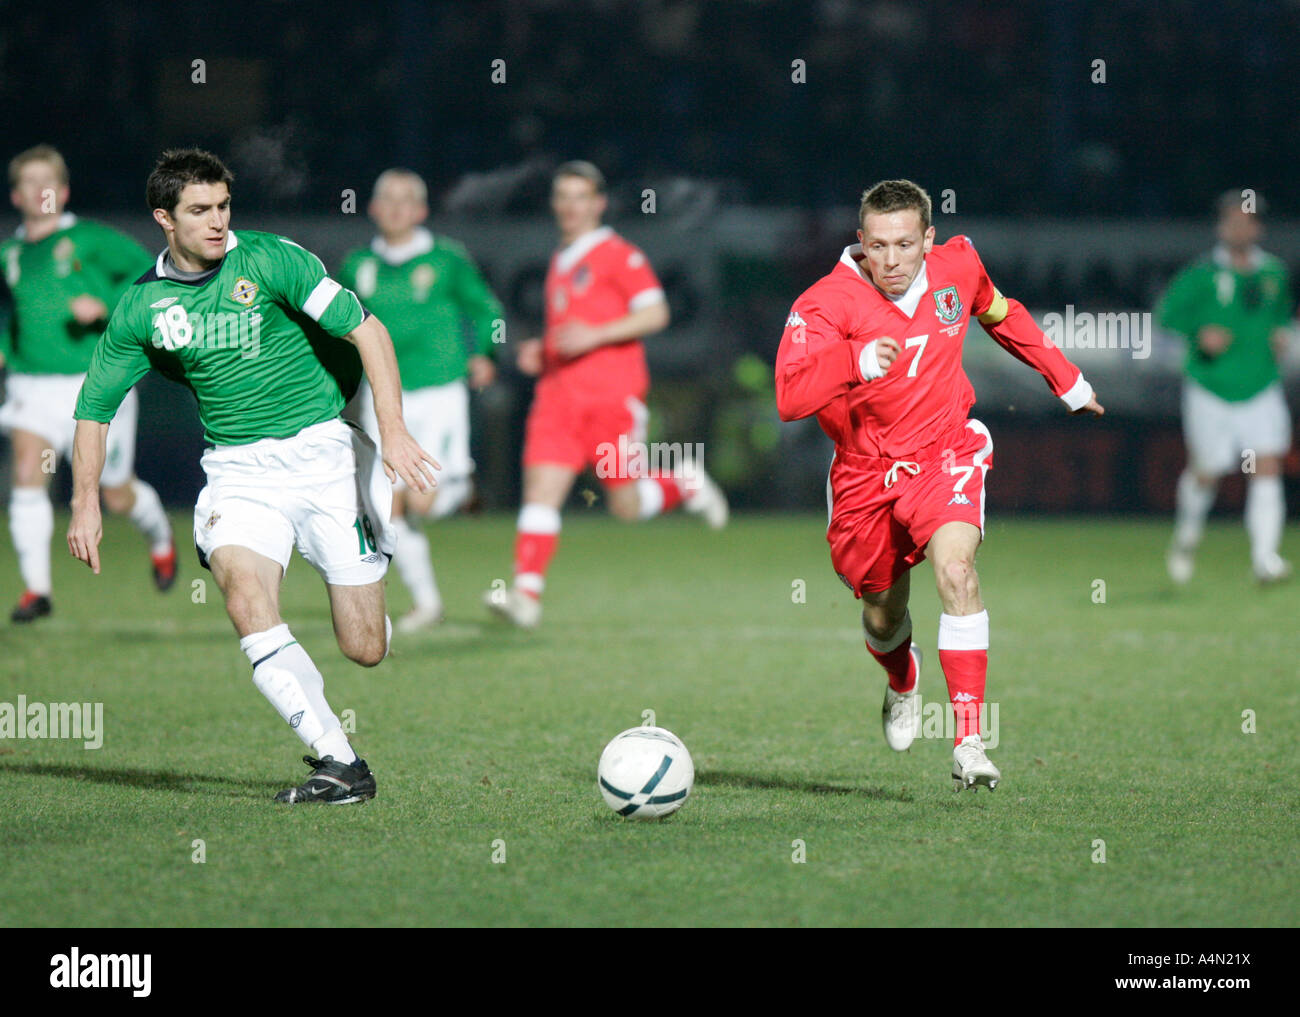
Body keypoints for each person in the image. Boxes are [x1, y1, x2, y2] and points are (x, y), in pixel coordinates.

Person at [67, 148, 437, 805]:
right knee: (243, 597)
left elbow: (368, 332)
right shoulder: (141, 308)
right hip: (237, 470)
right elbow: (94, 410)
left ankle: (368, 548)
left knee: (365, 647)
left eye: (224, 206)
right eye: (199, 210)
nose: (217, 221)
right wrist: (84, 503)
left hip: (324, 455)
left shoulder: (271, 258)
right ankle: (341, 761)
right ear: (164, 218)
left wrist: (395, 429)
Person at [775, 179, 1104, 792]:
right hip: (864, 474)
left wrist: (1067, 380)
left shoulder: (959, 266)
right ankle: (902, 676)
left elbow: (1001, 312)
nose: (892, 260)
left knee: (957, 573)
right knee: (881, 613)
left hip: (944, 451)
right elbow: (789, 396)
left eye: (904, 244)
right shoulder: (824, 304)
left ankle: (969, 742)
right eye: (878, 246)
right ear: (860, 244)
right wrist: (852, 361)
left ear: (928, 239)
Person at [485, 161, 728, 629]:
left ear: (598, 204)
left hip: (611, 399)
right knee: (541, 490)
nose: (571, 206)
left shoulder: (618, 254)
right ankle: (525, 596)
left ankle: (686, 483)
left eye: (581, 197)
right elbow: (570, 331)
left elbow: (656, 312)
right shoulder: (562, 258)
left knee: (626, 506)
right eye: (563, 197)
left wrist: (595, 336)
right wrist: (545, 350)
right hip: (558, 397)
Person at [0, 144, 176, 622]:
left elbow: (154, 273)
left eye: (49, 184)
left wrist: (104, 303)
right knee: (26, 475)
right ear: (16, 195)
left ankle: (161, 539)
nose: (41, 192)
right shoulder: (11, 253)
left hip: (96, 385)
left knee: (115, 494)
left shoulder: (91, 239)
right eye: (30, 184)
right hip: (31, 388)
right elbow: (10, 310)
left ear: (64, 191)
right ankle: (37, 590)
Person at [338, 168, 504, 631]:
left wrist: (485, 351)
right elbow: (338, 326)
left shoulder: (447, 259)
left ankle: (460, 485)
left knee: (421, 502)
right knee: (387, 505)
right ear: (372, 208)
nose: (394, 207)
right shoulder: (357, 266)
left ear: (421, 210)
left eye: (405, 199)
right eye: (386, 198)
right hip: (384, 396)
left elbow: (486, 307)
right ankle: (427, 603)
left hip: (440, 390)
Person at [1158, 191, 1293, 585]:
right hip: (1211, 387)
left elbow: (1279, 318)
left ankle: (1265, 558)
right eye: (1232, 220)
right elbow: (1165, 316)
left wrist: (1280, 337)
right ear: (1221, 226)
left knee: (1266, 464)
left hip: (1260, 386)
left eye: (1247, 220)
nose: (1240, 227)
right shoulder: (1200, 275)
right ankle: (1186, 537)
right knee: (1207, 473)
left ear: (1258, 226)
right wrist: (1198, 334)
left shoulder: (1274, 274)